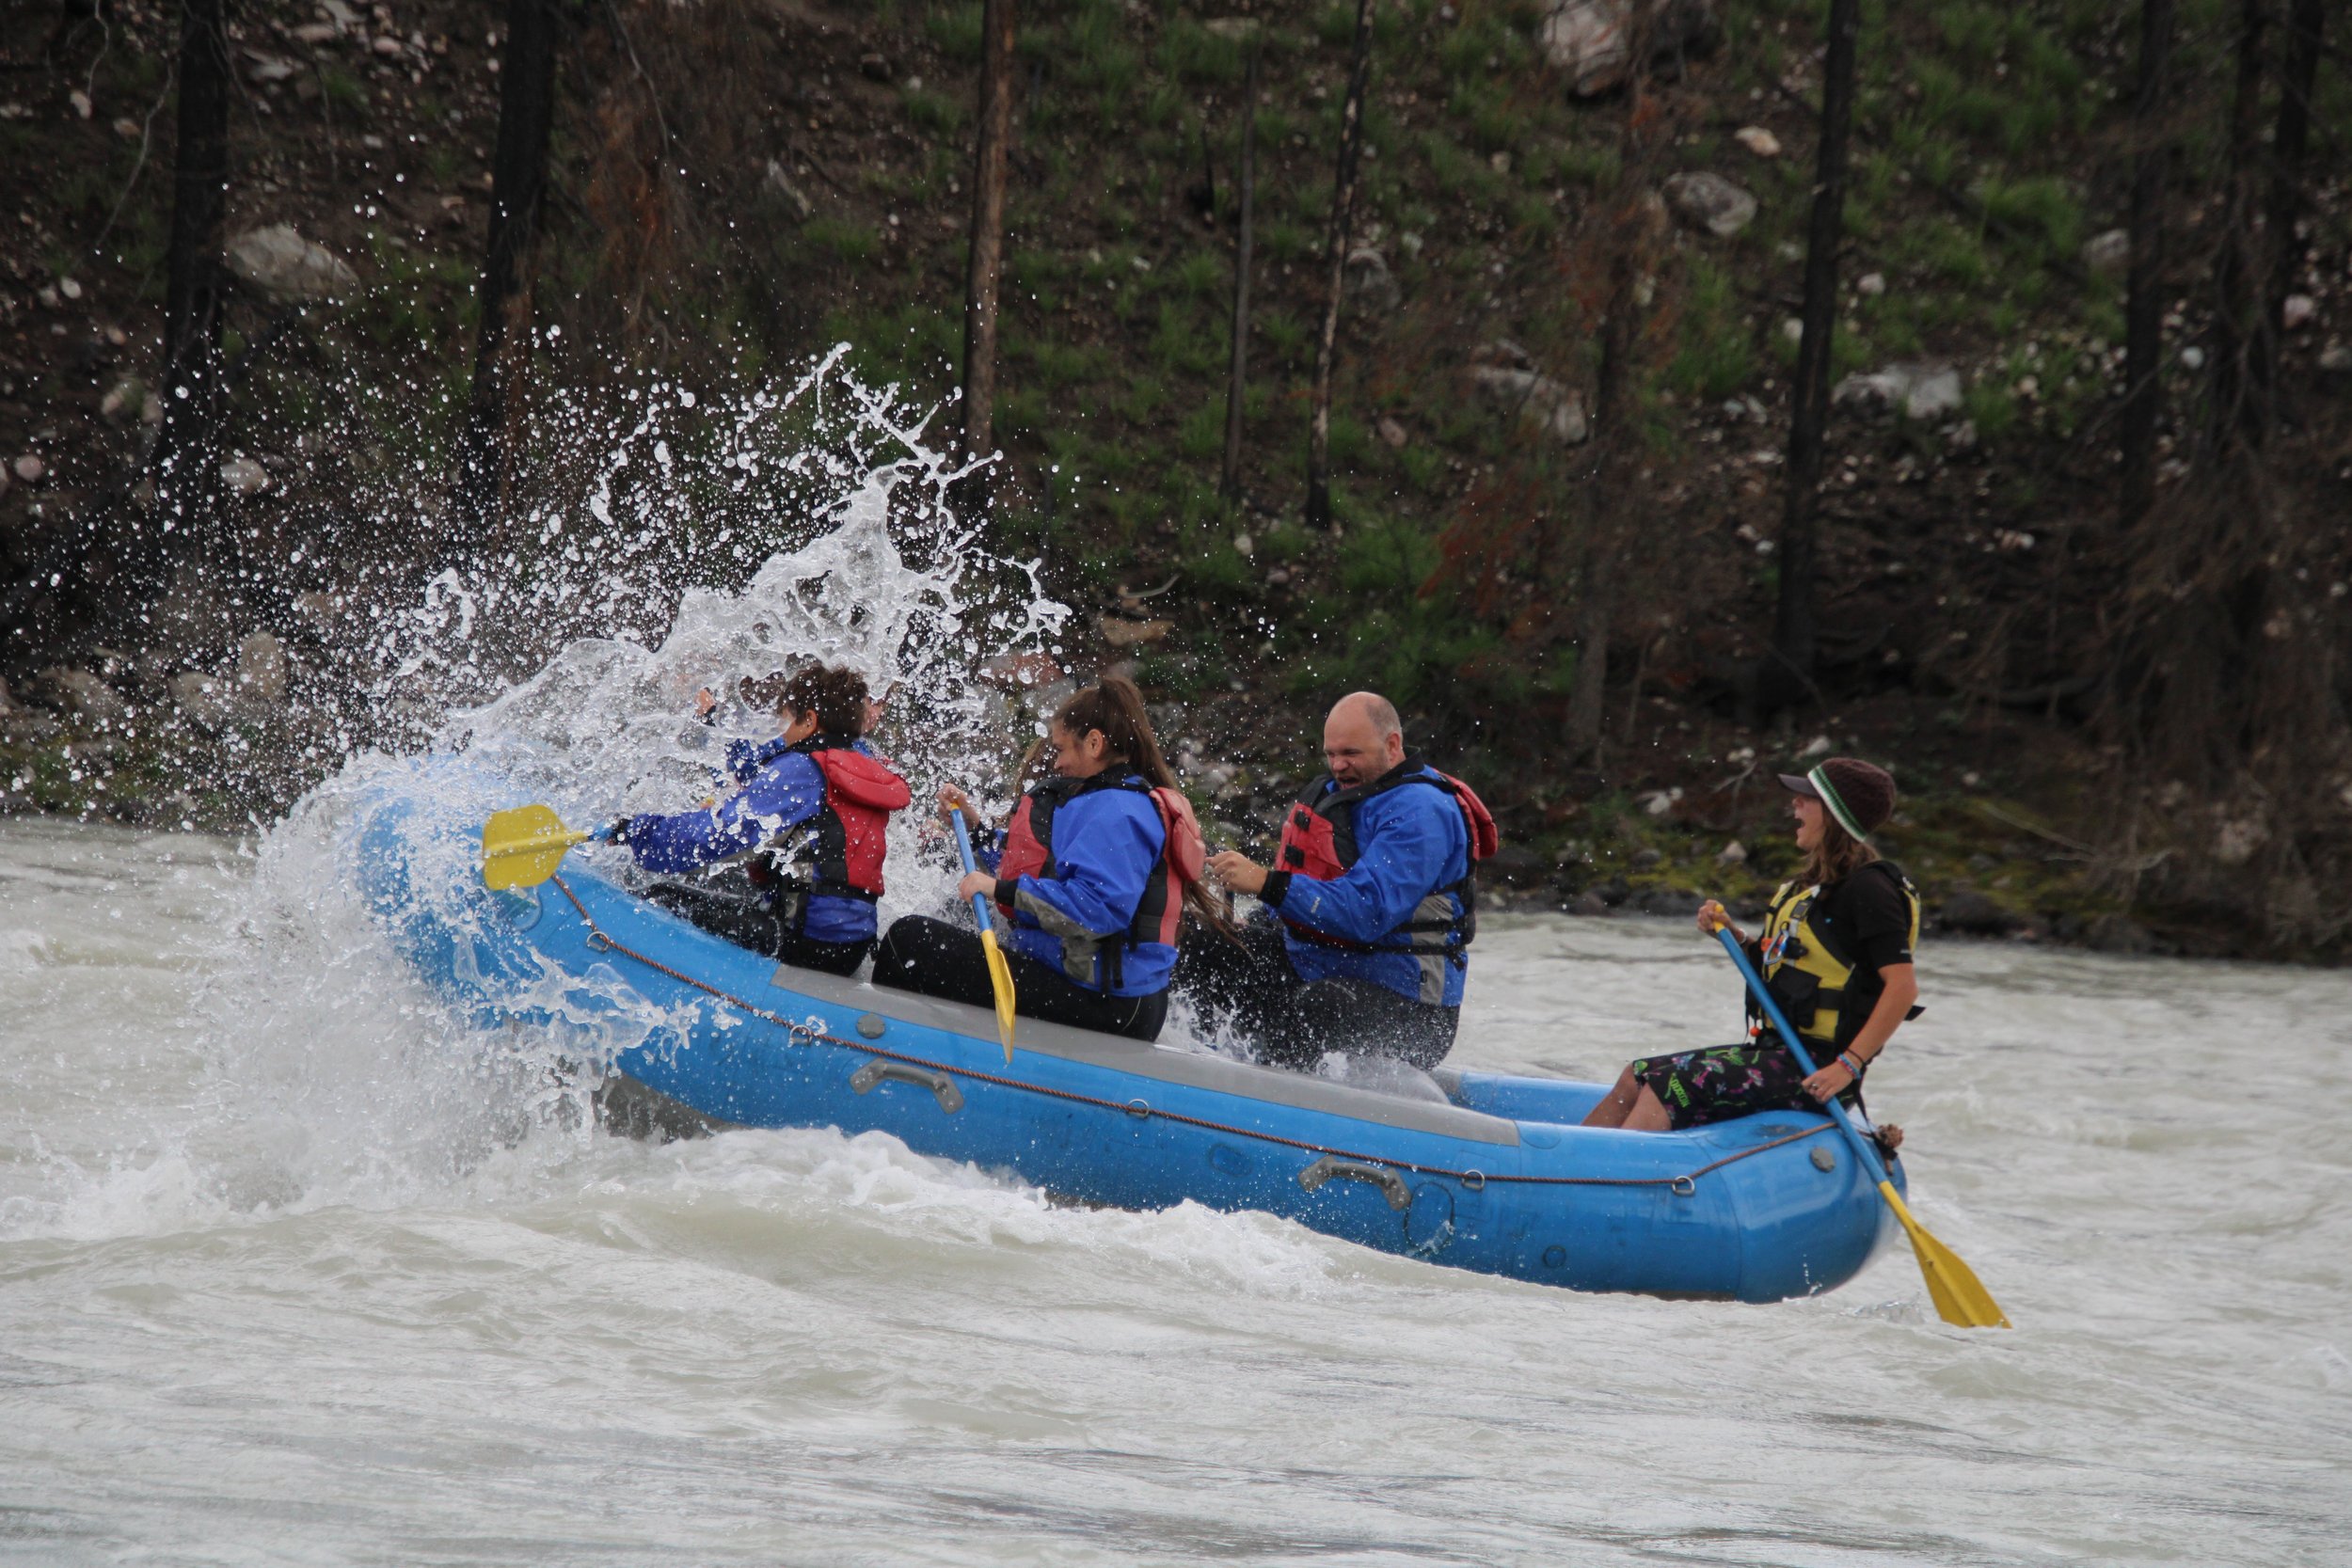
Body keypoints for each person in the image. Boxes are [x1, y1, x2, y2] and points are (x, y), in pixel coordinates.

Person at [1581, 757, 1920, 1134]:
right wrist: (1735, 937)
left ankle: (1609, 1180)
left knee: (1670, 1088)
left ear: (1836, 813)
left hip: (1815, 1068)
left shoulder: (1871, 890)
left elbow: (1902, 988)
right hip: (1779, 1053)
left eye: (1808, 798)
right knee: (1637, 1075)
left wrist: (1847, 1066)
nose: (1795, 804)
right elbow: (1788, 968)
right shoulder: (1816, 886)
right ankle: (1567, 1166)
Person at [871, 676, 1216, 1041]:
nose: (1057, 761)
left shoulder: (1119, 812)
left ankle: (889, 1054)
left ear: (1095, 743)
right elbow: (1040, 866)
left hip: (1108, 1002)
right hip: (1100, 987)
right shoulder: (1107, 800)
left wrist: (1000, 890)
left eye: (1062, 748)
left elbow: (1096, 911)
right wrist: (975, 829)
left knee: (907, 940)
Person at [1178, 691, 1497, 1071]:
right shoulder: (1336, 795)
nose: (1338, 766)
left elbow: (1365, 912)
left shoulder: (1423, 813)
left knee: (1318, 1007)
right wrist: (1261, 919)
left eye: (1350, 754)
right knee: (1203, 946)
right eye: (1331, 754)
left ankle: (1275, 1108)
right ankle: (1196, 1066)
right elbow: (1308, 882)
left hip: (1414, 1011)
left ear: (1392, 745)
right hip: (1319, 966)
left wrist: (1267, 883)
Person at [609, 662, 912, 975]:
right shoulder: (860, 762)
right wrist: (713, 720)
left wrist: (637, 831)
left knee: (663, 896)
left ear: (809, 721)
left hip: (805, 944)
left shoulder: (804, 768)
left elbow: (716, 836)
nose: (781, 734)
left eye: (786, 721)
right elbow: (754, 769)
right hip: (851, 947)